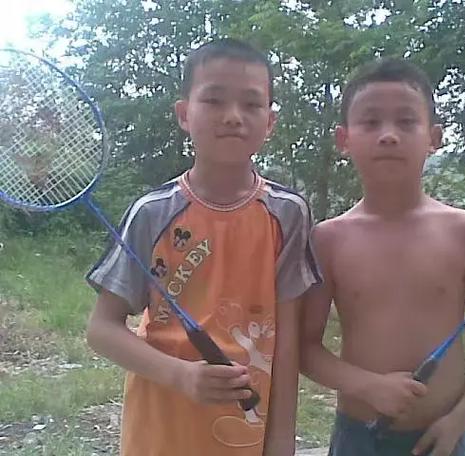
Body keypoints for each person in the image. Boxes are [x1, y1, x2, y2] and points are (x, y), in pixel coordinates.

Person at [86, 38, 321, 456]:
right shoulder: (152, 212)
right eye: (213, 100)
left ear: (269, 122)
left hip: (245, 435)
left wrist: (281, 442)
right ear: (184, 114)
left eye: (251, 104)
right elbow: (102, 330)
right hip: (159, 434)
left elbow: (286, 342)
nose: (233, 116)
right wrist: (180, 376)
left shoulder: (289, 213)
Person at [300, 58, 465, 456]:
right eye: (371, 122)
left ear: (433, 137)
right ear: (344, 139)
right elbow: (305, 348)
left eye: (406, 122)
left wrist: (460, 419)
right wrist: (369, 386)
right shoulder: (327, 239)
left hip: (449, 438)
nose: (388, 135)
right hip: (361, 439)